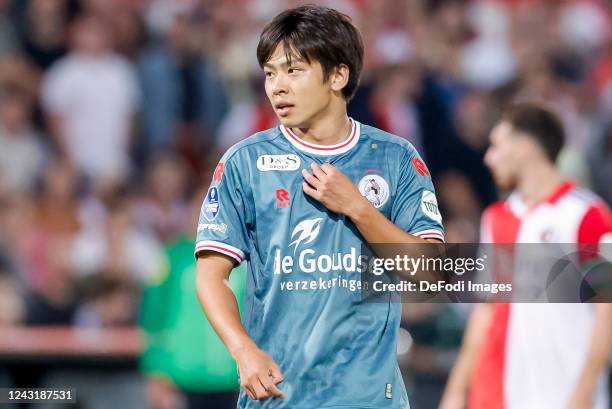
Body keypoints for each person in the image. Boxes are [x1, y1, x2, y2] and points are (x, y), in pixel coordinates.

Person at [195, 5, 444, 409]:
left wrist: (359, 209)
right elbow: (211, 276)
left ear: (338, 75)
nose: (277, 86)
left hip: (369, 400)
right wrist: (242, 350)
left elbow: (431, 275)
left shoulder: (395, 158)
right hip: (278, 396)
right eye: (270, 73)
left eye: (293, 70)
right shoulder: (245, 162)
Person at [439, 103, 612, 409]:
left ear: (524, 148)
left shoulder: (588, 216)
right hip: (502, 391)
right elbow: (487, 311)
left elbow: (607, 310)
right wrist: (456, 390)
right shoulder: (496, 218)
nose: (488, 158)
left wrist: (584, 391)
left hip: (566, 391)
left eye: (496, 145)